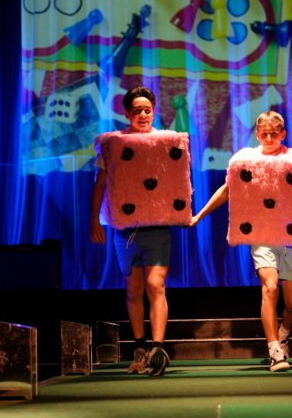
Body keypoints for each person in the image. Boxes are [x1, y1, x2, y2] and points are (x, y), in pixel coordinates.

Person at [190, 110, 292, 372]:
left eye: (273, 134)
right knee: (270, 288)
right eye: (263, 134)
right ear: (257, 134)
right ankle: (274, 349)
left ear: (283, 134)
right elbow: (227, 190)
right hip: (263, 236)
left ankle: (283, 335)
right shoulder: (248, 159)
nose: (268, 138)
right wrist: (200, 214)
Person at [90, 85, 191, 377]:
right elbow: (100, 184)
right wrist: (94, 220)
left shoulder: (165, 141)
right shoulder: (114, 144)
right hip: (126, 231)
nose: (143, 115)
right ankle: (139, 347)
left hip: (156, 228)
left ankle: (158, 347)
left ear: (154, 111)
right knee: (133, 289)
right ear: (127, 113)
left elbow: (177, 178)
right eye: (137, 111)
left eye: (147, 110)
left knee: (155, 284)